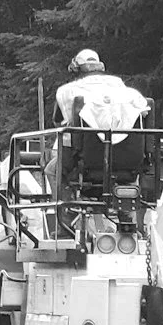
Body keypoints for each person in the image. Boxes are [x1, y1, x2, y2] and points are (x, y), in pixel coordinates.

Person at [48, 49, 150, 208]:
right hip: (130, 164)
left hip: (87, 162)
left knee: (52, 170)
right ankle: (130, 217)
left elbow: (59, 121)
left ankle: (64, 222)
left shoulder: (67, 91)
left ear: (77, 70)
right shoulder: (130, 94)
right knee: (133, 179)